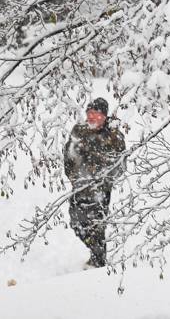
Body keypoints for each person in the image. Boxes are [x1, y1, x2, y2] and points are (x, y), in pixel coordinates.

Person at [64, 98, 126, 268]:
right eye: (88, 113)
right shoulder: (79, 131)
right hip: (79, 187)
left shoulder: (114, 136)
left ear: (104, 116)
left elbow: (120, 166)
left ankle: (98, 262)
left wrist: (101, 179)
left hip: (100, 191)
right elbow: (68, 156)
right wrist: (76, 178)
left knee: (96, 227)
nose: (90, 117)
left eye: (95, 113)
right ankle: (96, 256)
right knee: (77, 223)